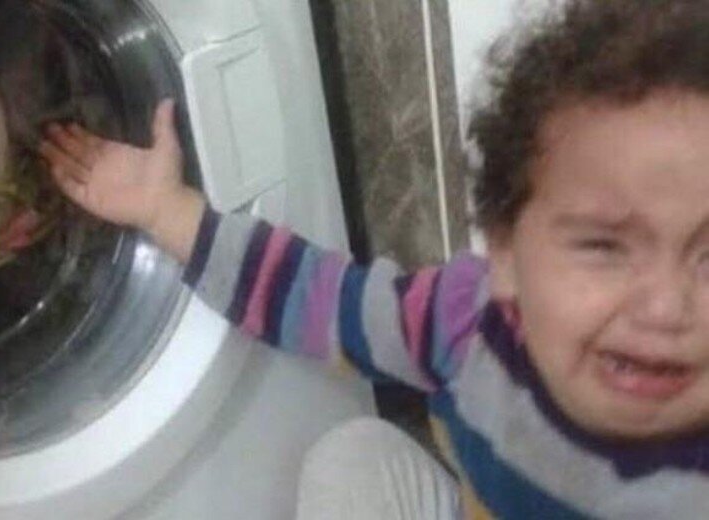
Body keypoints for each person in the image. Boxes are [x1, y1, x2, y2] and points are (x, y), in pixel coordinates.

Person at [38, 1, 709, 517]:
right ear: (505, 256)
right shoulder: (468, 322)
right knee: (353, 455)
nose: (664, 306)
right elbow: (321, 298)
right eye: (603, 246)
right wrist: (164, 210)